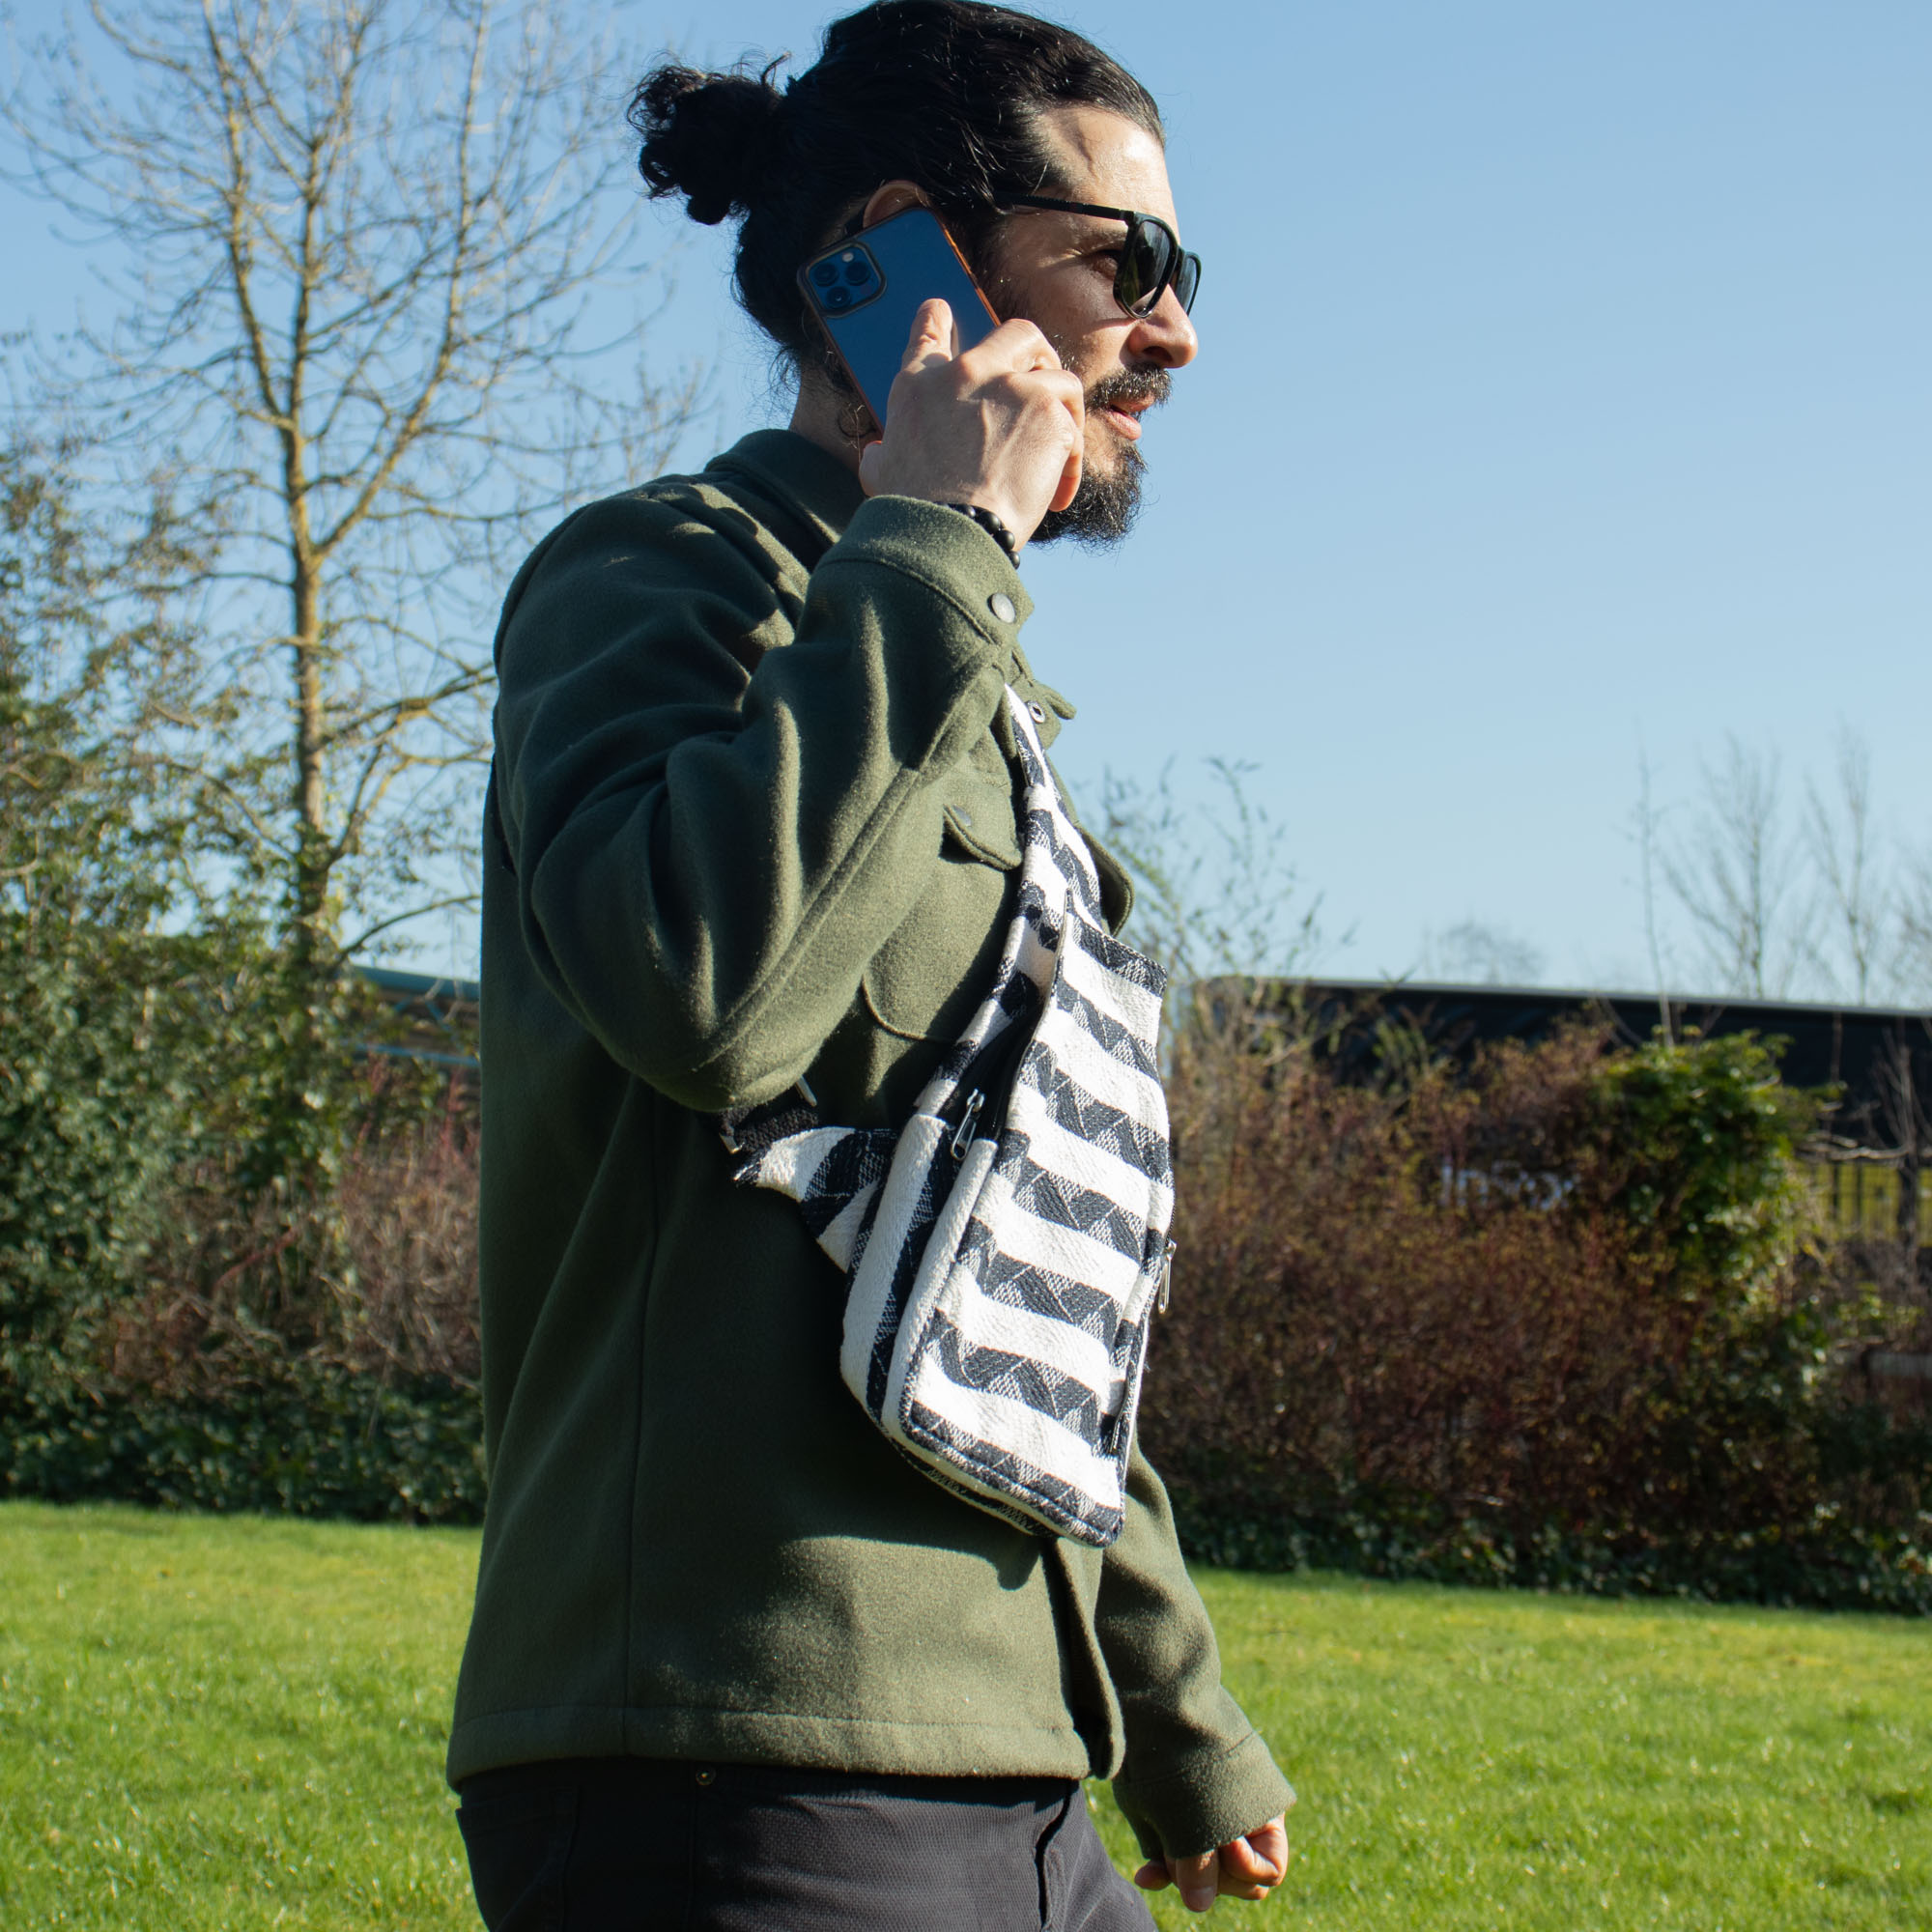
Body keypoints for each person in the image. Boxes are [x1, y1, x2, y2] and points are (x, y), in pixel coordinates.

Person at [446, 4, 1293, 1925]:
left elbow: (1016, 1259)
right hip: (731, 1755)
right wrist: (937, 525)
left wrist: (1168, 1707)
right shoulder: (661, 577)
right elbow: (706, 992)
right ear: (904, 254)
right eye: (1129, 261)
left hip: (1012, 1766)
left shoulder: (954, 682)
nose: (1172, 330)